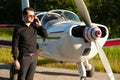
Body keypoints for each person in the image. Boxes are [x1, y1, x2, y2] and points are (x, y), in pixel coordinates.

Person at [11, 7, 48, 80]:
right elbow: (14, 45)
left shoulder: (35, 27)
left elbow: (45, 35)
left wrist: (40, 25)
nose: (32, 17)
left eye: (33, 16)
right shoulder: (18, 29)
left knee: (30, 78)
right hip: (24, 58)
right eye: (30, 16)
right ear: (24, 16)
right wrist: (15, 60)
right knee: (22, 78)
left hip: (34, 57)